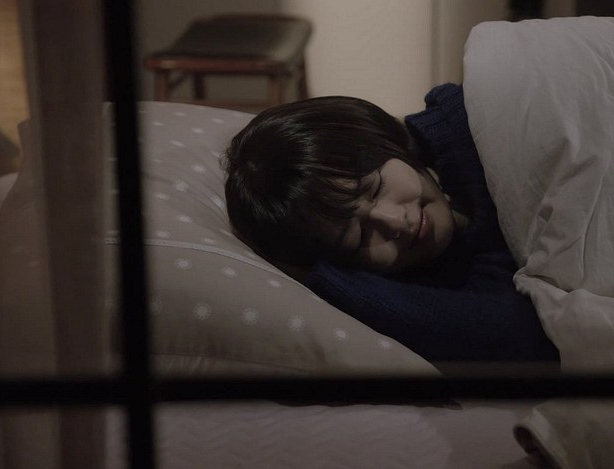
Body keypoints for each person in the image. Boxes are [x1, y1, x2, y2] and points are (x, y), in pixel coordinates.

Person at [224, 83, 558, 369]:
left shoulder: (469, 125)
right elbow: (533, 335)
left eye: (376, 188)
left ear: (386, 141)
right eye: (359, 237)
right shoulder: (428, 282)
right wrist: (324, 278)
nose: (397, 222)